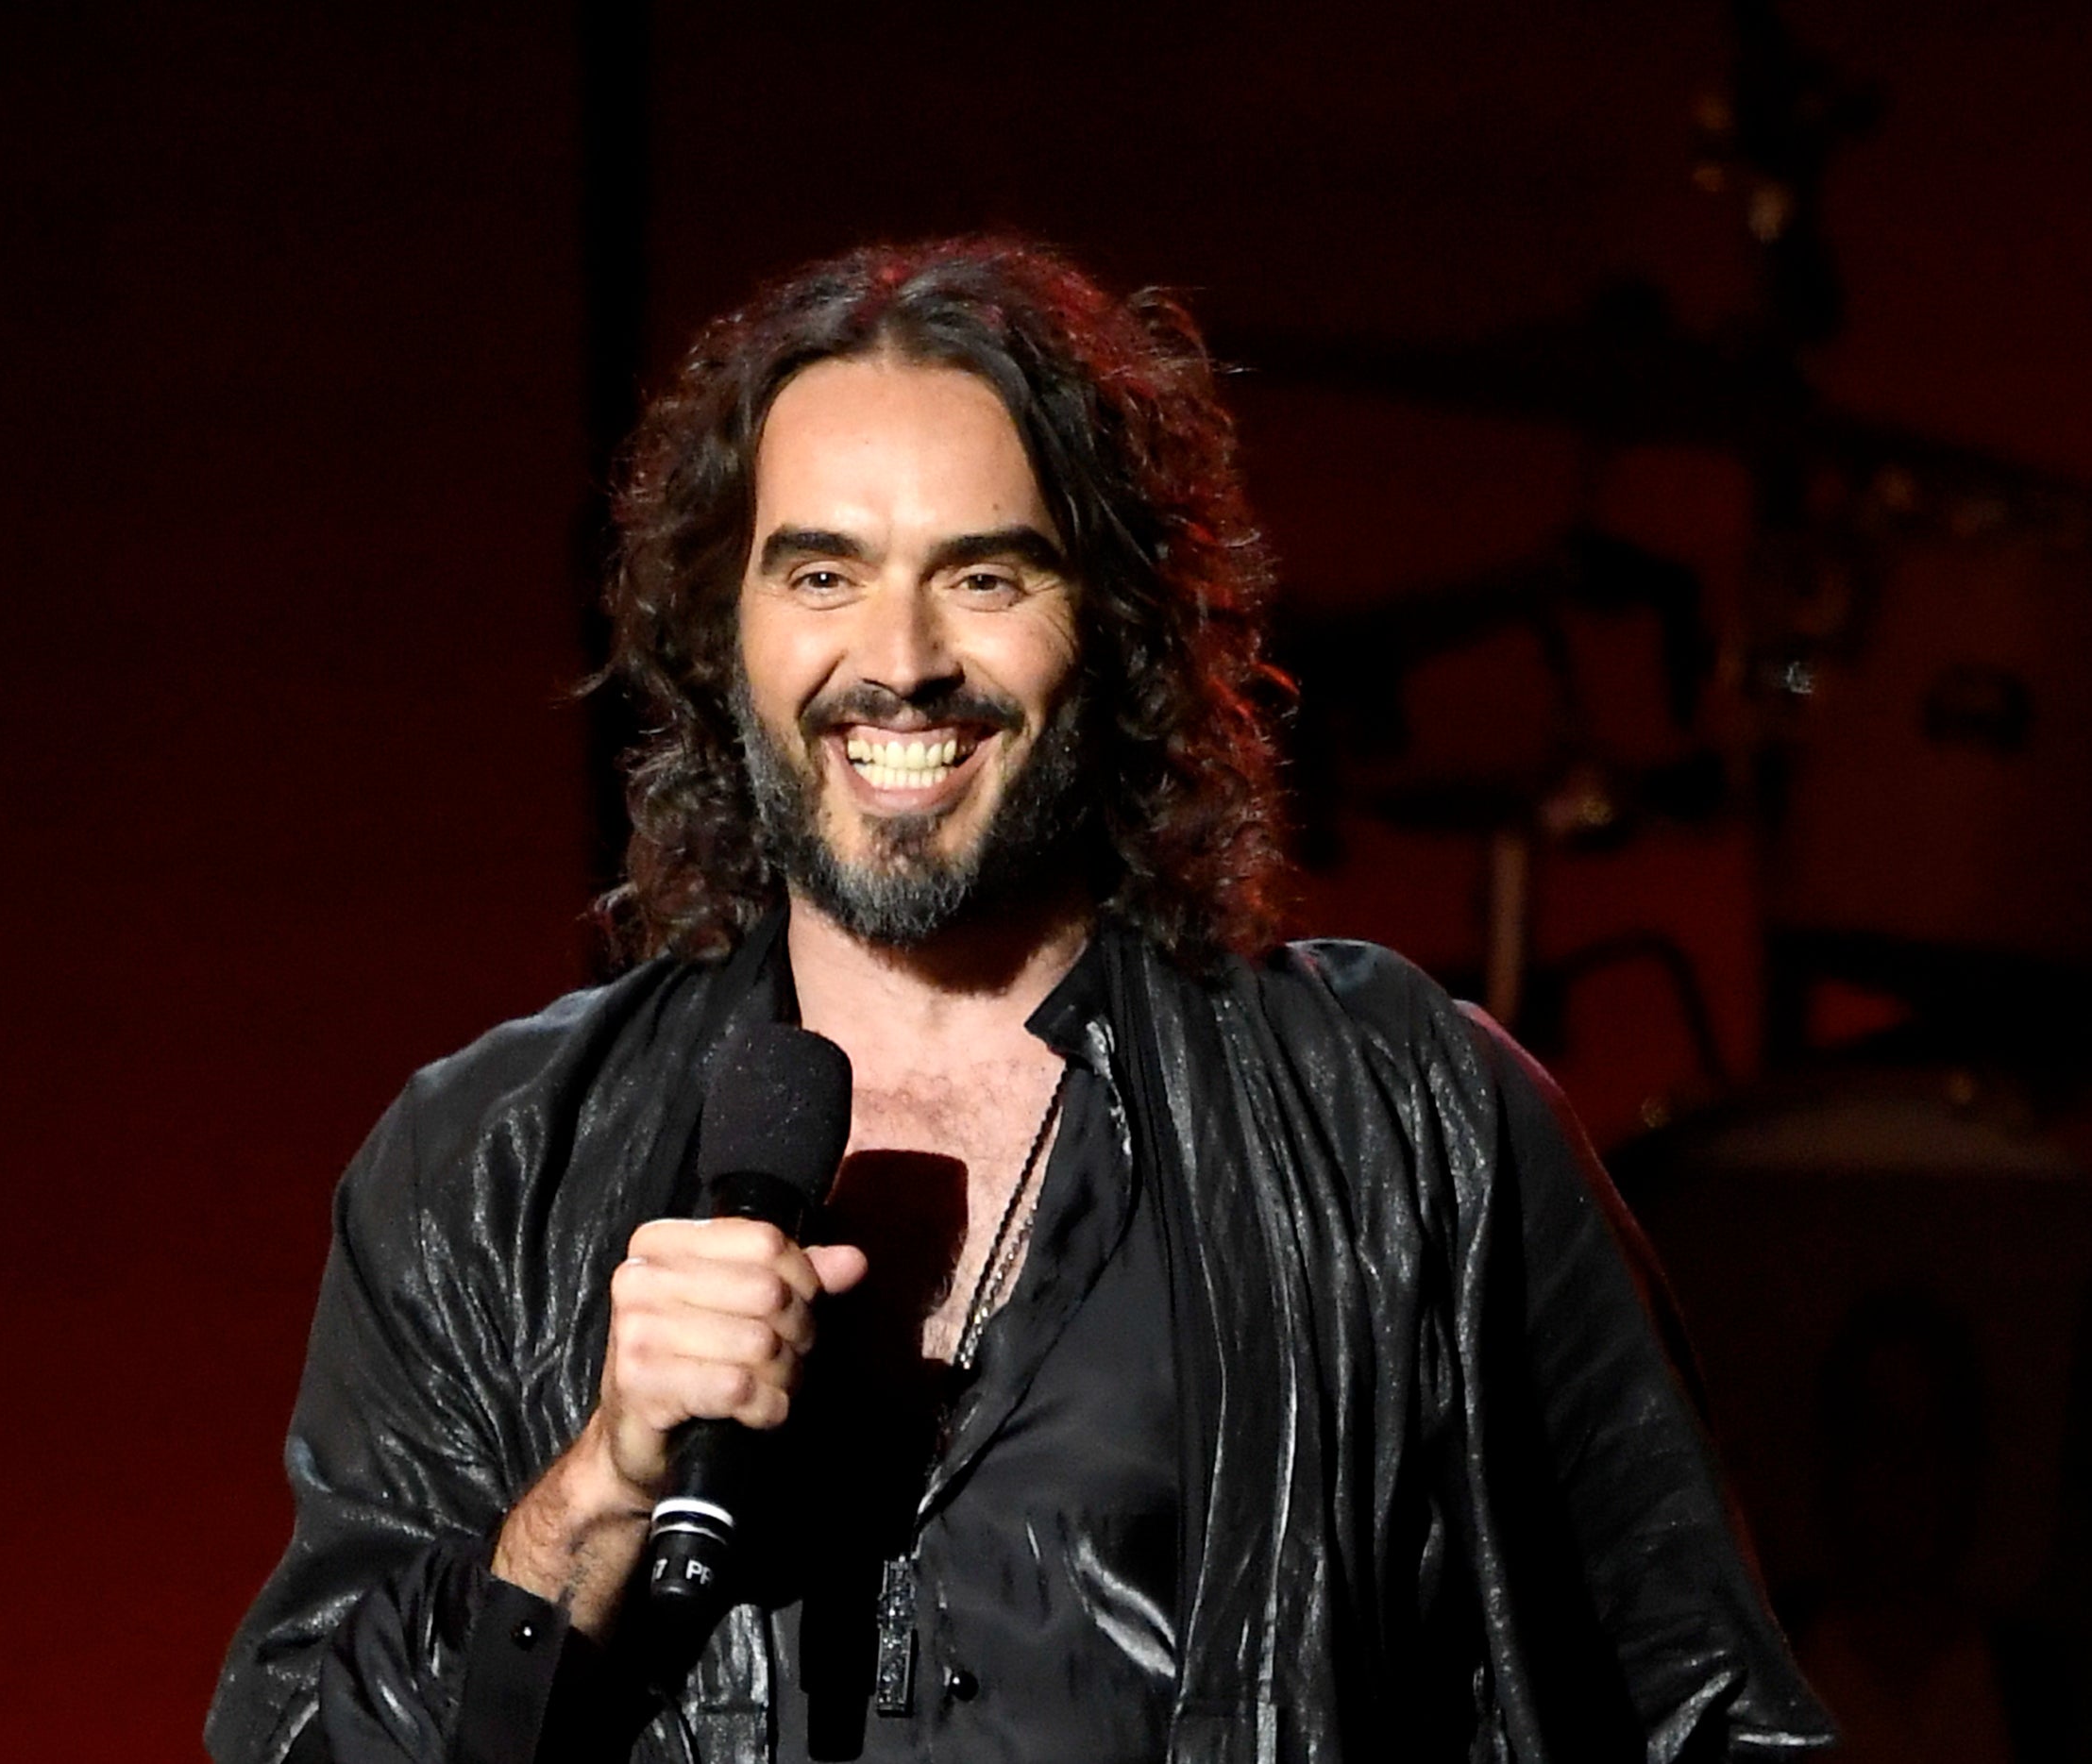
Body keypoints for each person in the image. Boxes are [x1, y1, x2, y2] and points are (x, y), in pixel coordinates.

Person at [207, 237, 1832, 1763]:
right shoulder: (484, 1163)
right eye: (822, 574)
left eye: (983, 576)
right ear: (723, 632)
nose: (898, 657)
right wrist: (599, 1492)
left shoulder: (1409, 1122)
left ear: (1116, 628)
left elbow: (1703, 1715)